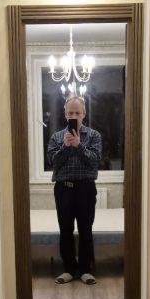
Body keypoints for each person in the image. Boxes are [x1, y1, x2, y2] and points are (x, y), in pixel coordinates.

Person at [47, 95, 102, 284]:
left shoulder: (94, 136)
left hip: (86, 189)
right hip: (63, 190)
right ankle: (69, 270)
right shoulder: (56, 137)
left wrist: (78, 146)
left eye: (77, 112)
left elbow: (94, 161)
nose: (74, 116)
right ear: (65, 114)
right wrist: (65, 146)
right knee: (65, 230)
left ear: (84, 114)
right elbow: (53, 162)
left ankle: (85, 270)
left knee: (86, 229)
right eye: (70, 112)